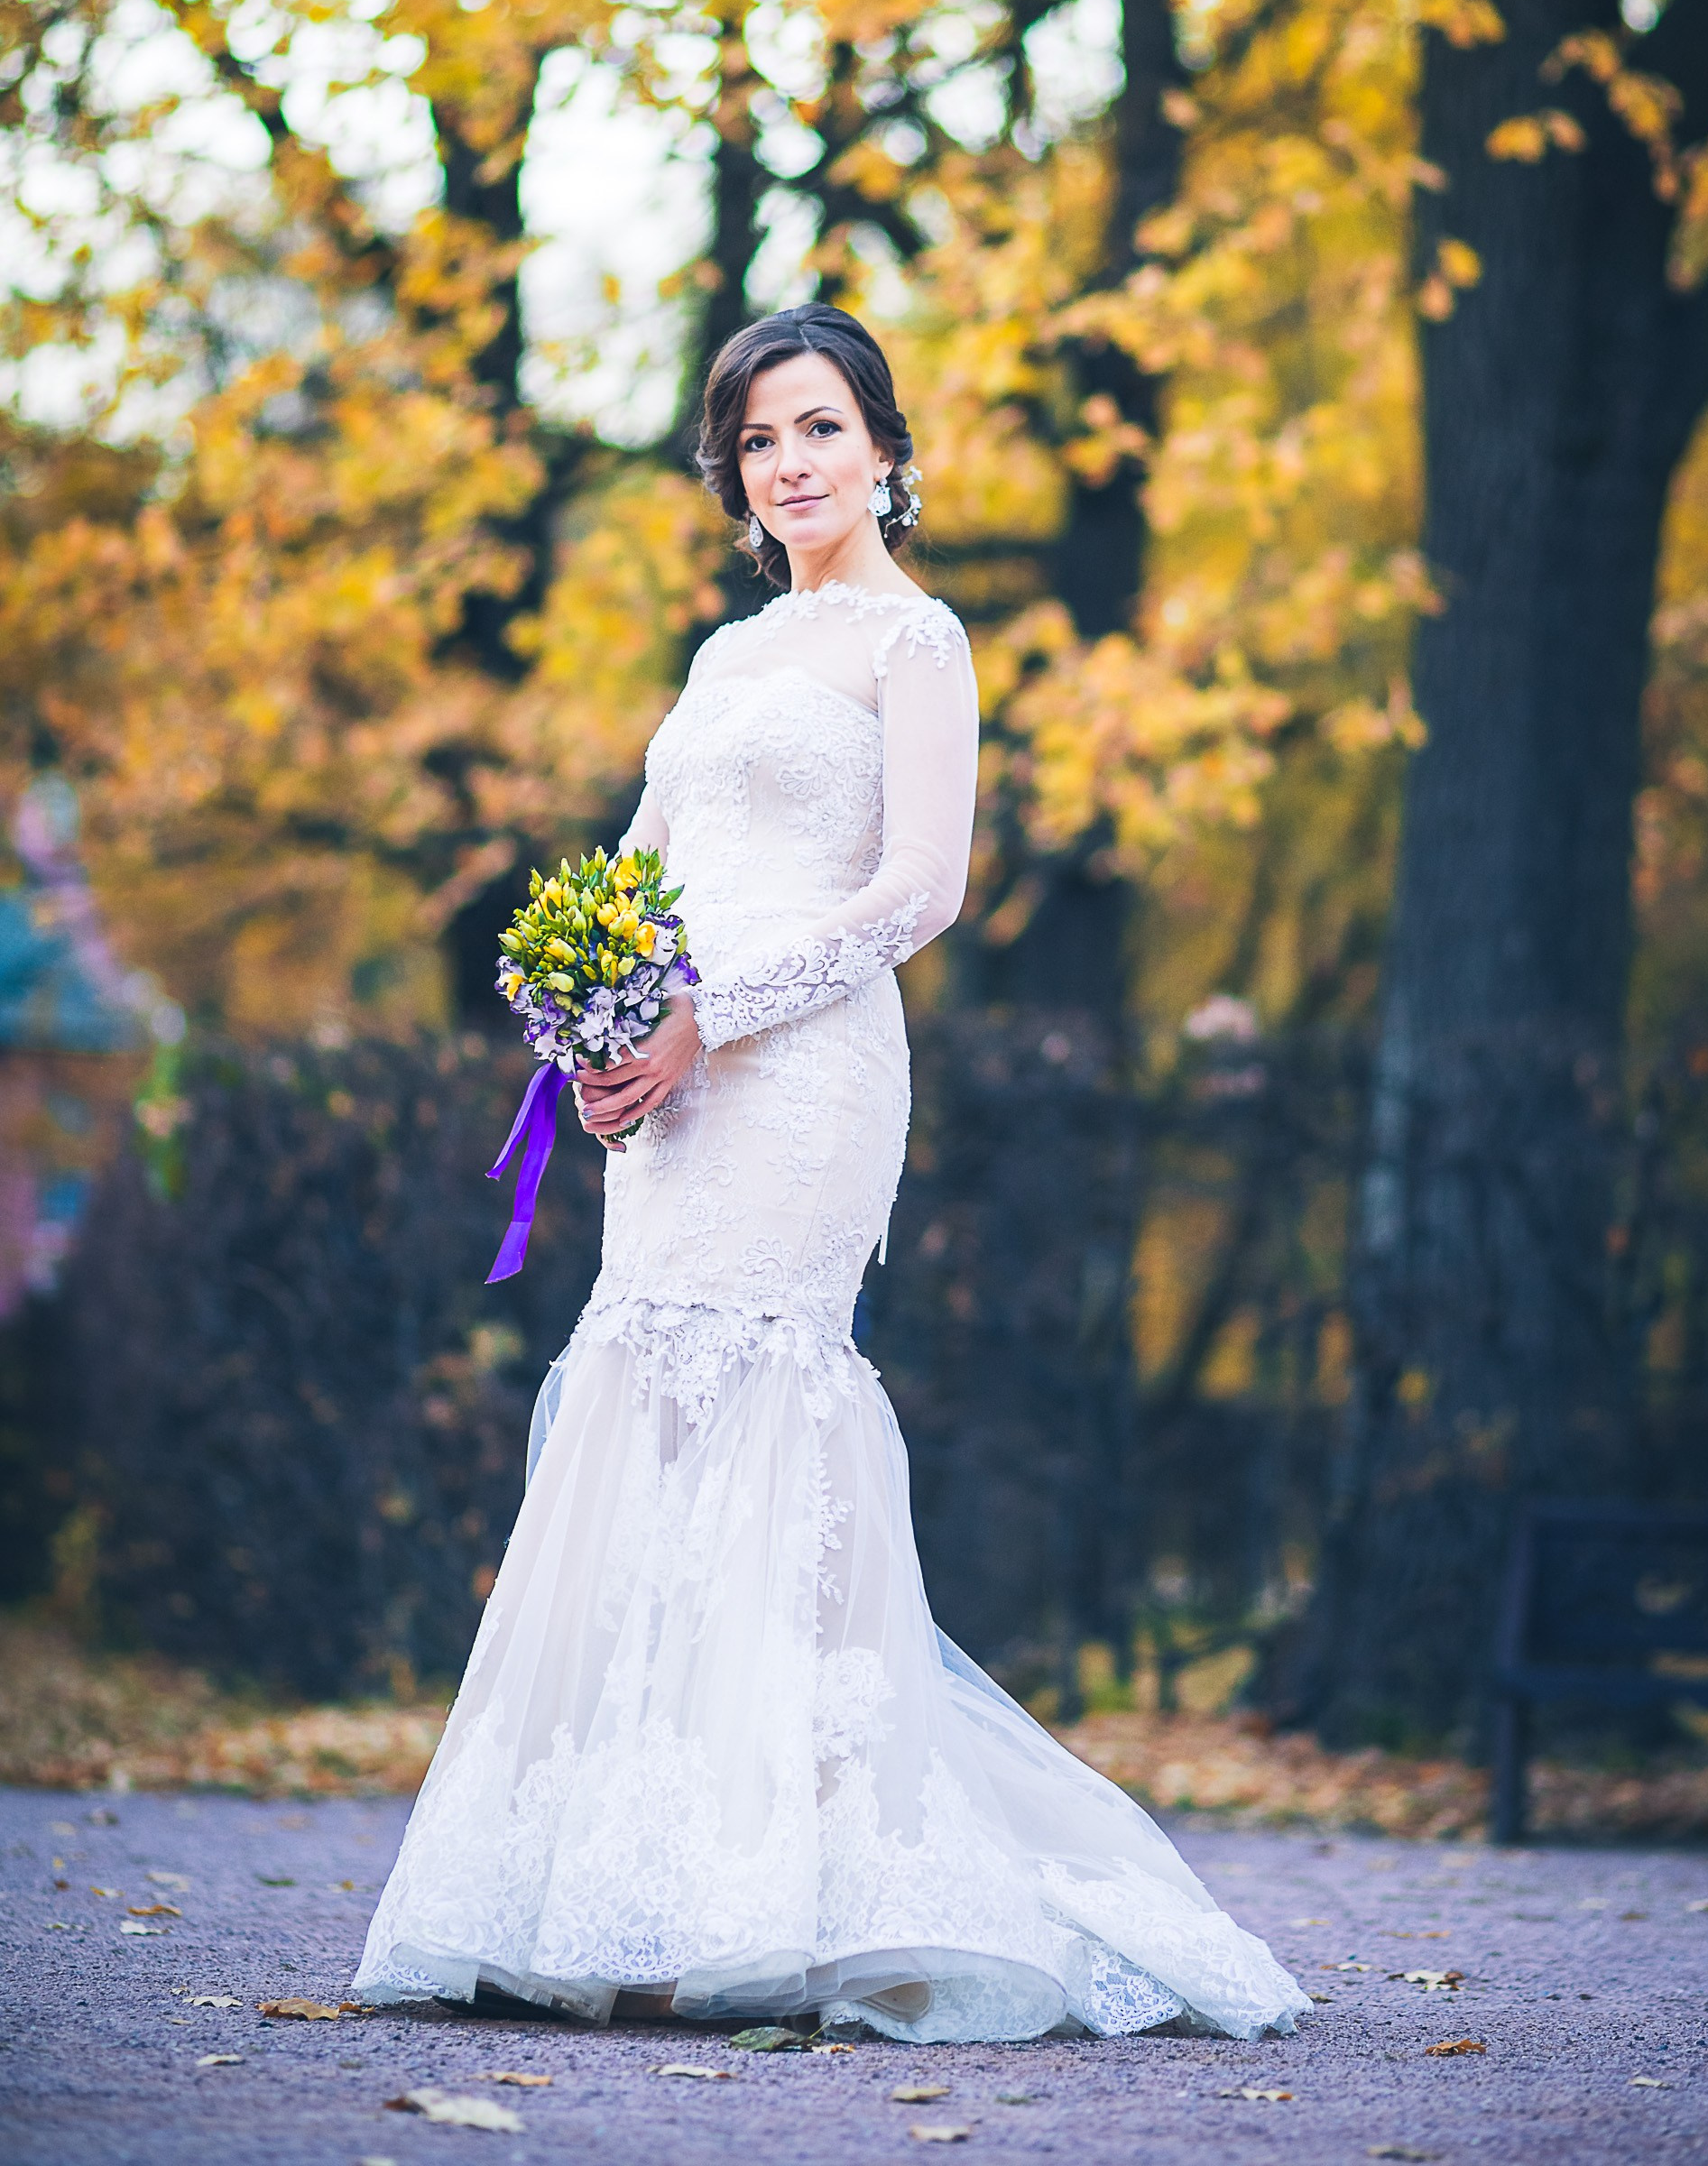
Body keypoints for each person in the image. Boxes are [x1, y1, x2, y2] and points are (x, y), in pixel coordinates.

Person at [355, 304, 1308, 2045]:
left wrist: (719, 1018)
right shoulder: (724, 662)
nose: (790, 466)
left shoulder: (917, 642)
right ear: (735, 473)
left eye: (819, 430)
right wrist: (598, 1019)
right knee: (644, 1388)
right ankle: (601, 1880)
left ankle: (764, 1883)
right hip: (672, 1087)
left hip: (802, 1081)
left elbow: (921, 890)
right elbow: (638, 869)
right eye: (759, 443)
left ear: (885, 445)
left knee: (760, 1396)